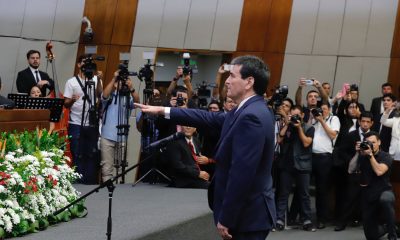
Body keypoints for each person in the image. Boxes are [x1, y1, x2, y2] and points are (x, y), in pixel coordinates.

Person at [136, 55, 276, 240]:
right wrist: (164, 110)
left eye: (232, 76)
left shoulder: (252, 116)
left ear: (249, 81)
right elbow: (208, 118)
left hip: (246, 216)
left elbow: (242, 173)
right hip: (248, 213)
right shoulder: (249, 109)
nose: (227, 82)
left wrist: (227, 217)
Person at [349, 131, 397, 240]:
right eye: (368, 142)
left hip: (384, 191)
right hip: (368, 194)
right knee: (371, 236)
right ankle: (387, 227)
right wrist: (357, 153)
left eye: (373, 142)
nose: (371, 145)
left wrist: (370, 155)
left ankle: (392, 235)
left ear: (379, 142)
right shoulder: (362, 155)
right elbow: (350, 169)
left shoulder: (386, 156)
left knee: (386, 199)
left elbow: (379, 171)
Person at [275, 105, 315, 232]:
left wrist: (298, 128)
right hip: (287, 164)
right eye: (293, 115)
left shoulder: (309, 128)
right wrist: (287, 123)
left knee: (304, 195)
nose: (295, 118)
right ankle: (279, 220)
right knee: (283, 194)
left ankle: (307, 220)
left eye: (298, 115)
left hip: (303, 165)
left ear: (303, 115)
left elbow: (306, 143)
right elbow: (279, 139)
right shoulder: (288, 126)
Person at [63, 55, 102, 184]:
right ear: (79, 65)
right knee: (77, 152)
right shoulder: (71, 82)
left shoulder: (96, 79)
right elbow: (66, 103)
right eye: (84, 63)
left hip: (91, 122)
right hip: (75, 122)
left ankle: (90, 180)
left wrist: (100, 80)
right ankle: (78, 179)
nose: (87, 66)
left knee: (91, 152)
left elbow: (100, 95)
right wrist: (73, 99)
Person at [100, 70, 139, 182]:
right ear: (116, 84)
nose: (123, 84)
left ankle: (121, 191)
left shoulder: (128, 97)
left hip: (122, 137)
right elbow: (104, 95)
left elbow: (137, 102)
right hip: (107, 136)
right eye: (121, 82)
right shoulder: (110, 96)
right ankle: (107, 189)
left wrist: (131, 88)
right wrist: (114, 79)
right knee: (107, 168)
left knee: (122, 168)